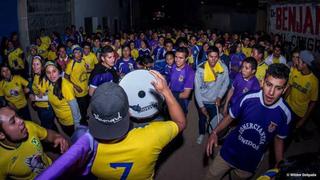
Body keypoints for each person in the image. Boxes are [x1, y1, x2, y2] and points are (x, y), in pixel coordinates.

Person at [36, 70, 186, 179]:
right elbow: (180, 123)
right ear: (129, 112)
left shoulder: (86, 148)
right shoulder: (152, 136)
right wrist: (166, 91)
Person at [205, 63, 292, 180]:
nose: (271, 92)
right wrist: (215, 132)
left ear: (284, 89)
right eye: (268, 84)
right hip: (228, 151)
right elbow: (230, 117)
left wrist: (279, 161)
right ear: (262, 82)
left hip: (249, 162)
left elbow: (279, 138)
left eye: (278, 88)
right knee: (211, 176)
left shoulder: (285, 114)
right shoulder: (248, 98)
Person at [0, 106, 69, 179]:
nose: (21, 120)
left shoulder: (29, 126)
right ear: (1, 134)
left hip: (52, 169)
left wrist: (56, 137)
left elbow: (48, 134)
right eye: (13, 121)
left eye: (16, 116)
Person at [194, 46, 229, 144]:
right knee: (202, 118)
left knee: (215, 121)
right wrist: (201, 106)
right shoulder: (200, 69)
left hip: (215, 102)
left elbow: (226, 83)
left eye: (215, 57)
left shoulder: (223, 68)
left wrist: (219, 97)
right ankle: (201, 133)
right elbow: (197, 89)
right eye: (211, 56)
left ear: (218, 57)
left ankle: (213, 136)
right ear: (206, 56)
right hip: (203, 101)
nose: (213, 59)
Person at [285, 50, 318, 140]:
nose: (296, 63)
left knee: (290, 134)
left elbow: (313, 102)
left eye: (298, 61)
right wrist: (283, 101)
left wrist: (303, 120)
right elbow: (290, 87)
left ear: (305, 64)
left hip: (299, 113)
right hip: (288, 106)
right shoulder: (295, 71)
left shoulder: (314, 82)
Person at [45, 61, 81, 136]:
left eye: (54, 71)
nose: (51, 75)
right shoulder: (50, 83)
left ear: (59, 71)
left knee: (76, 141)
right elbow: (52, 96)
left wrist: (77, 125)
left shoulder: (65, 86)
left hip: (70, 122)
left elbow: (74, 106)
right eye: (48, 72)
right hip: (61, 120)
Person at [29, 56, 56, 130]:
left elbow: (51, 97)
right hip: (39, 106)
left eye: (37, 64)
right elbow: (35, 88)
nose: (35, 66)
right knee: (50, 124)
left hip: (46, 108)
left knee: (46, 127)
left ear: (42, 65)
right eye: (33, 64)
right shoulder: (36, 74)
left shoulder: (46, 78)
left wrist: (35, 98)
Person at [64, 45, 89, 125]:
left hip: (85, 88)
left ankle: (85, 116)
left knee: (86, 105)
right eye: (75, 52)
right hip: (78, 91)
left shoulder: (83, 60)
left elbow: (84, 72)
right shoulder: (71, 64)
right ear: (73, 54)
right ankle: (83, 123)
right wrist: (75, 86)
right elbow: (66, 77)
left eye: (79, 52)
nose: (77, 54)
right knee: (81, 108)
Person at [168, 47, 195, 114]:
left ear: (186, 59)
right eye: (176, 57)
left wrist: (168, 95)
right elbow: (170, 81)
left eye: (181, 58)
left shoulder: (190, 72)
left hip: (181, 100)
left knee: (181, 120)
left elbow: (186, 94)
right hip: (171, 96)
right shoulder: (173, 66)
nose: (177, 60)